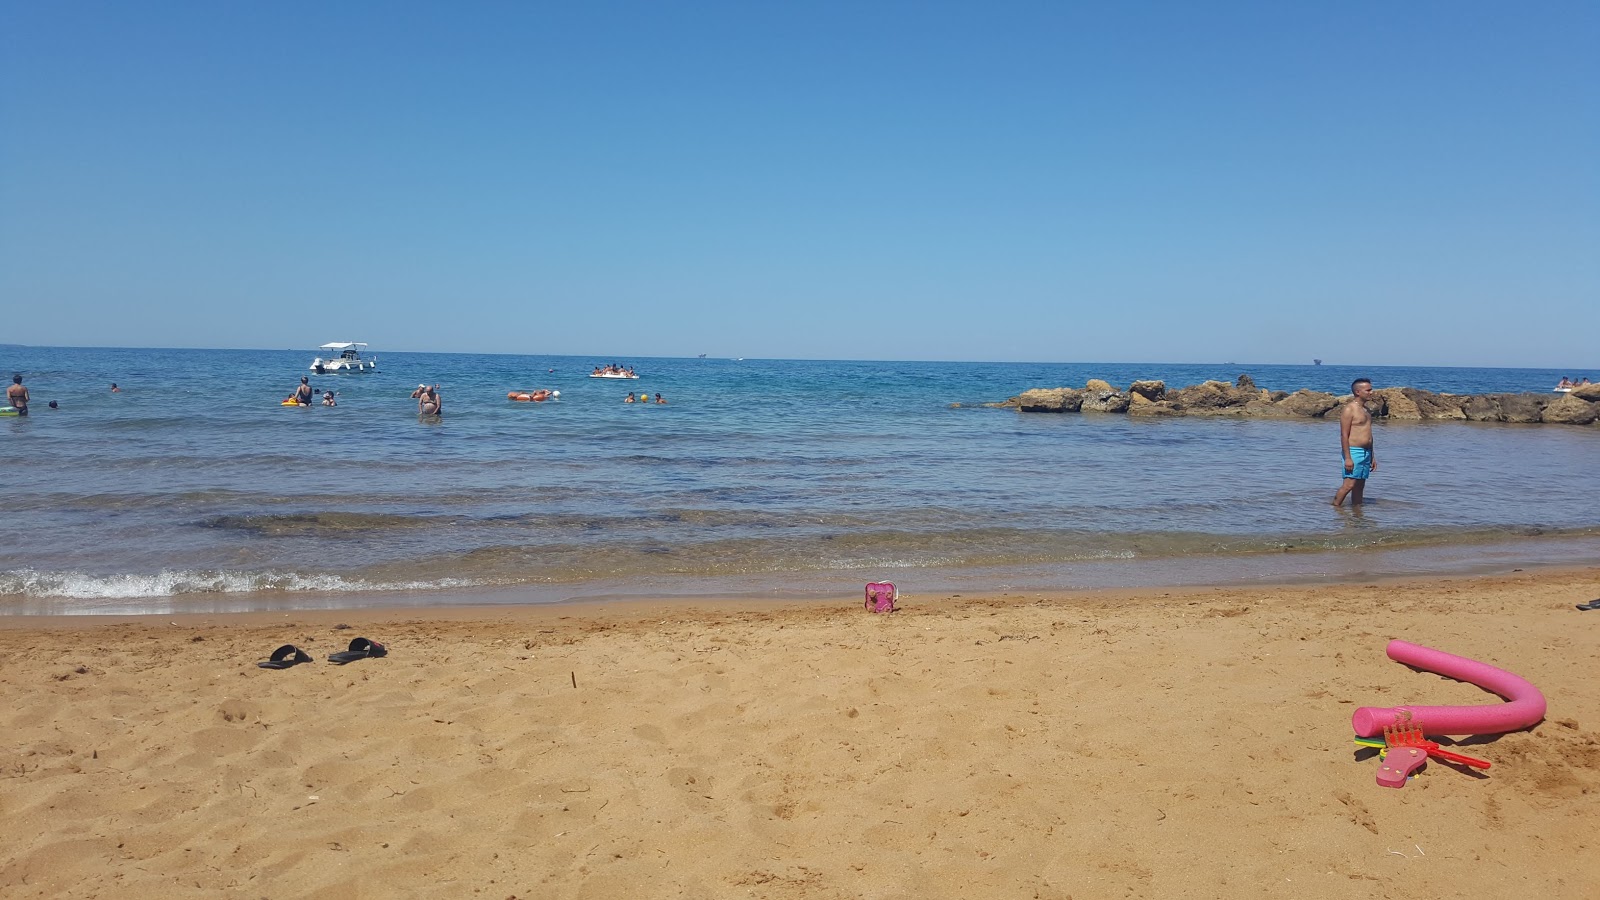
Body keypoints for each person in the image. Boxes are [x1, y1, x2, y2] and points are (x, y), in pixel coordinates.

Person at [1333, 378, 1377, 507]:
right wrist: (1348, 458)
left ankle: (1357, 515)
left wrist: (1372, 456)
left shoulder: (1366, 410)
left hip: (1366, 452)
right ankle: (1335, 509)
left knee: (1360, 486)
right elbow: (1344, 435)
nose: (1371, 392)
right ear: (1358, 392)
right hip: (1354, 452)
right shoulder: (1349, 409)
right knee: (1349, 485)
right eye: (1368, 390)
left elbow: (1369, 434)